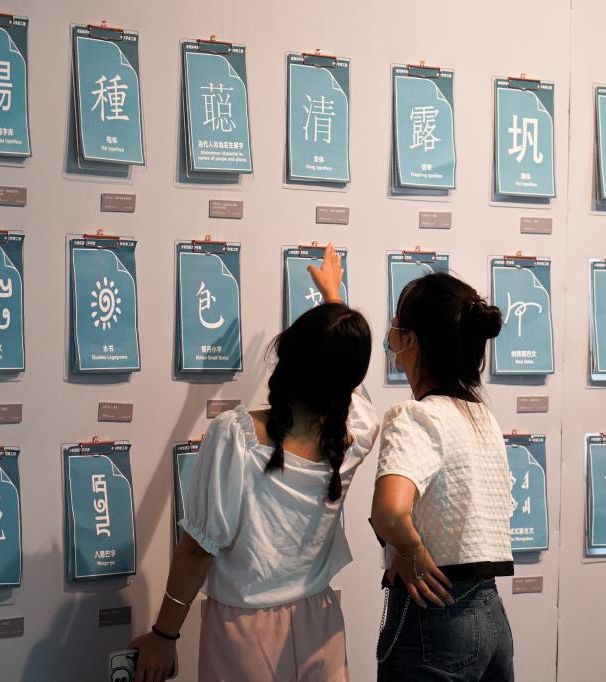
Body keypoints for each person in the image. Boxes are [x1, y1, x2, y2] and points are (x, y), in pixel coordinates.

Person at [129, 244, 378, 682]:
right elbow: (345, 379)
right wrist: (334, 301)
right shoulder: (355, 434)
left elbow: (197, 549)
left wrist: (165, 635)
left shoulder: (236, 435)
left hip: (244, 633)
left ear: (286, 358)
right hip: (321, 624)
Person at [371, 272, 515, 681]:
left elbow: (389, 512)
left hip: (434, 617)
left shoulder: (416, 416)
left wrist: (411, 549)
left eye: (396, 325)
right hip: (491, 615)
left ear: (411, 340)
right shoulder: (483, 419)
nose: (391, 336)